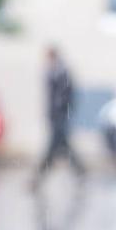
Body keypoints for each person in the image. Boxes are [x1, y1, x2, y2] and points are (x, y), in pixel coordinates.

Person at [31, 45, 85, 188]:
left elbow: (63, 96)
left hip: (58, 116)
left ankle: (38, 177)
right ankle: (80, 171)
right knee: (64, 146)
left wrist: (57, 111)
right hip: (57, 115)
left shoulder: (60, 72)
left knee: (53, 148)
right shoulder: (56, 71)